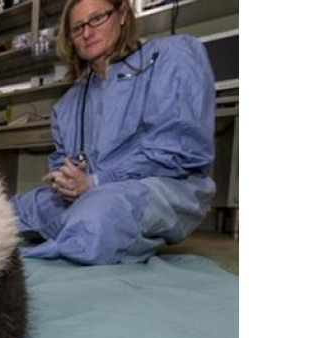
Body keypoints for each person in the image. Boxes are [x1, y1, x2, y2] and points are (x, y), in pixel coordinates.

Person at [11, 0, 216, 265]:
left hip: (159, 187)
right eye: (77, 28)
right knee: (8, 212)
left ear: (121, 15)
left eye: (97, 19)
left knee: (95, 218)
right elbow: (63, 160)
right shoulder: (68, 103)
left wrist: (96, 182)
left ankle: (36, 256)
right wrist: (65, 181)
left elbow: (179, 150)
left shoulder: (172, 56)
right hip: (86, 195)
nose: (87, 33)